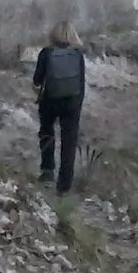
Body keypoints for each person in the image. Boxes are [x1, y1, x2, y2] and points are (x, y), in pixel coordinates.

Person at [32, 22, 85, 196]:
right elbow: (81, 82)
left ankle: (47, 171)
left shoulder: (46, 53)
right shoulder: (78, 54)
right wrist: (78, 104)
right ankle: (64, 185)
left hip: (50, 100)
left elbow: (37, 80)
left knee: (47, 131)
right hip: (72, 102)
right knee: (69, 141)